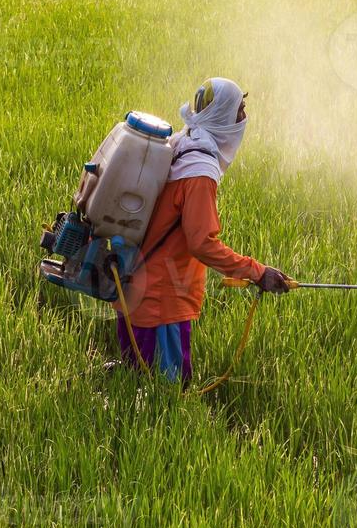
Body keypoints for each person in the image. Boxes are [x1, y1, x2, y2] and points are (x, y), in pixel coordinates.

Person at [115, 77, 290, 382]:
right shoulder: (199, 171)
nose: (244, 118)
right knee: (165, 396)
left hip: (134, 287)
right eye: (240, 110)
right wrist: (257, 272)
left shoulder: (181, 143)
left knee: (134, 386)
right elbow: (201, 243)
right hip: (161, 301)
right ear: (222, 116)